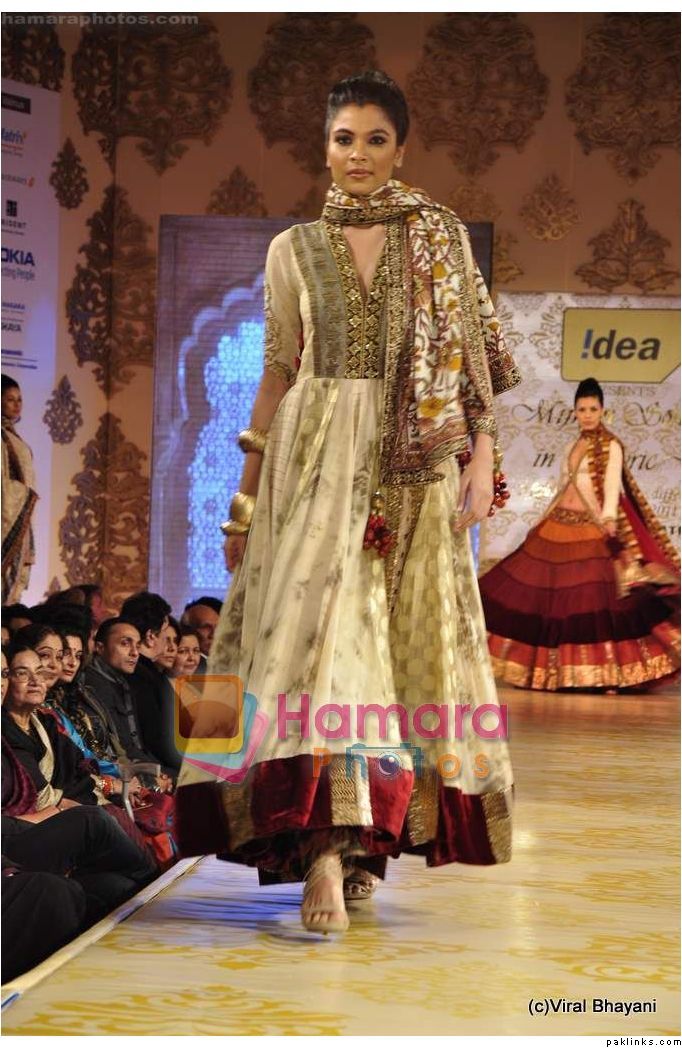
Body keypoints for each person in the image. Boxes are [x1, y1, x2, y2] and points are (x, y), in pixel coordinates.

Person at [176, 70, 520, 934]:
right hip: (314, 462)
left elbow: (475, 364)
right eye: (343, 139)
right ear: (323, 147)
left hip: (415, 466)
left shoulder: (440, 239)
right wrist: (242, 504)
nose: (357, 155)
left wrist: (482, 458)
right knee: (313, 644)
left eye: (375, 140)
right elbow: (277, 373)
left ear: (401, 149)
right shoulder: (291, 248)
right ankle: (323, 850)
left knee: (399, 655)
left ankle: (365, 848)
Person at [479, 377, 680, 691]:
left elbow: (611, 486)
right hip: (559, 524)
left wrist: (609, 521)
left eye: (593, 409)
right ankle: (551, 672)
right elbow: (563, 486)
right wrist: (543, 518)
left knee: (588, 601)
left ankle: (604, 673)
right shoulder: (571, 446)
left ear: (602, 411)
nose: (587, 415)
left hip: (592, 525)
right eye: (582, 409)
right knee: (547, 598)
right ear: (574, 411)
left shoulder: (611, 445)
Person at [2, 375, 38, 604]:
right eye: (10, 399)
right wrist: (25, 496)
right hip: (7, 517)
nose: (17, 405)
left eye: (19, 399)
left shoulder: (12, 436)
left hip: (20, 517)